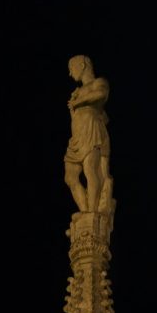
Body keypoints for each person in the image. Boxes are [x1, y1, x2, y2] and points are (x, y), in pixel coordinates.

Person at [63, 55, 111, 213]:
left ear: (82, 65)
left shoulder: (99, 82)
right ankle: (85, 211)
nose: (70, 74)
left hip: (91, 129)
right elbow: (75, 116)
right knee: (70, 177)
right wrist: (73, 106)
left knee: (90, 169)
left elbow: (100, 95)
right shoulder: (77, 92)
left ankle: (92, 212)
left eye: (72, 69)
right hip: (77, 135)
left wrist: (78, 102)